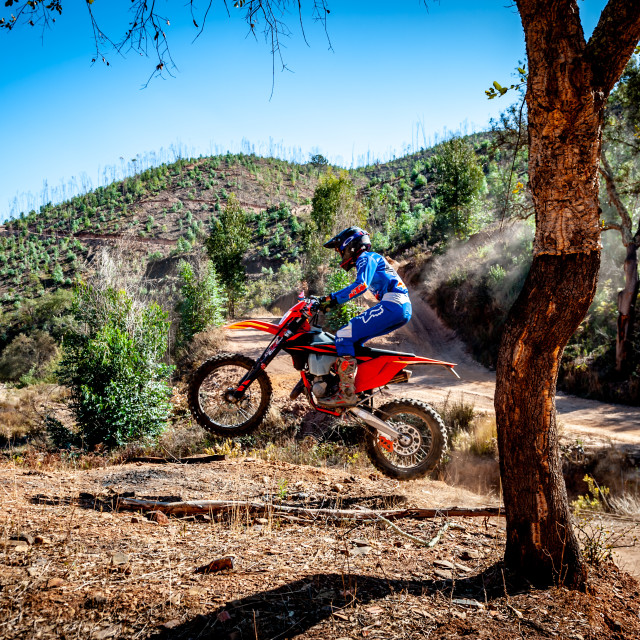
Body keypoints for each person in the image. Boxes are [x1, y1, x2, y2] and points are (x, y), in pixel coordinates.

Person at [317, 226, 412, 407]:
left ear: (351, 245)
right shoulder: (371, 258)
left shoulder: (365, 257)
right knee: (353, 342)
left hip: (394, 304)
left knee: (343, 335)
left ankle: (346, 393)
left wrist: (331, 299)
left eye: (341, 250)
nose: (341, 254)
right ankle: (361, 392)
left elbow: (360, 285)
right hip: (399, 306)